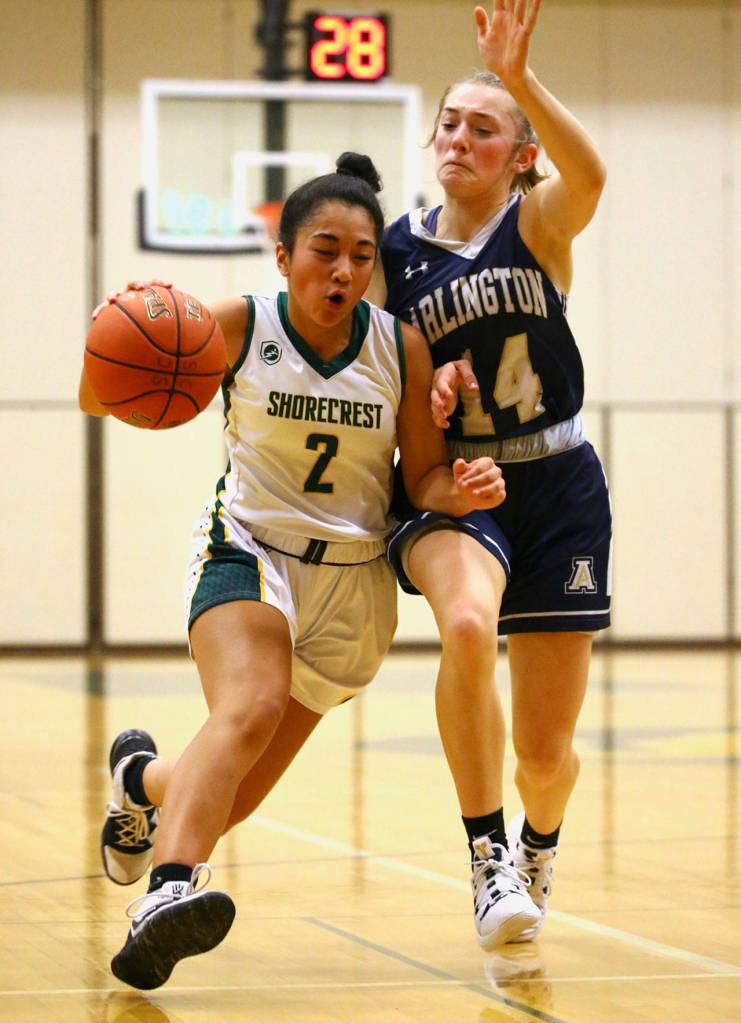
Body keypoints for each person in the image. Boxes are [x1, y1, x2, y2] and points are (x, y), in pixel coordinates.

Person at [78, 152, 507, 990]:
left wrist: (460, 490)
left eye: (359, 254)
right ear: (283, 256)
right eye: (323, 249)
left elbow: (418, 479)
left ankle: (138, 782)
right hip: (250, 554)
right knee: (247, 708)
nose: (344, 268)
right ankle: (166, 897)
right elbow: (99, 394)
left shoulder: (400, 349)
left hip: (351, 586)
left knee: (230, 791)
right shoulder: (235, 323)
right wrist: (119, 346)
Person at [377, 0, 612, 949]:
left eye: (485, 128)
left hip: (557, 485)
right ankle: (486, 858)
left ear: (518, 153)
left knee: (544, 755)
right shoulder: (391, 253)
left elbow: (591, 173)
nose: (461, 139)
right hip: (451, 487)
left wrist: (518, 78)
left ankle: (536, 840)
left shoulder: (540, 225)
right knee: (467, 624)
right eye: (450, 123)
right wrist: (424, 394)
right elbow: (387, 370)